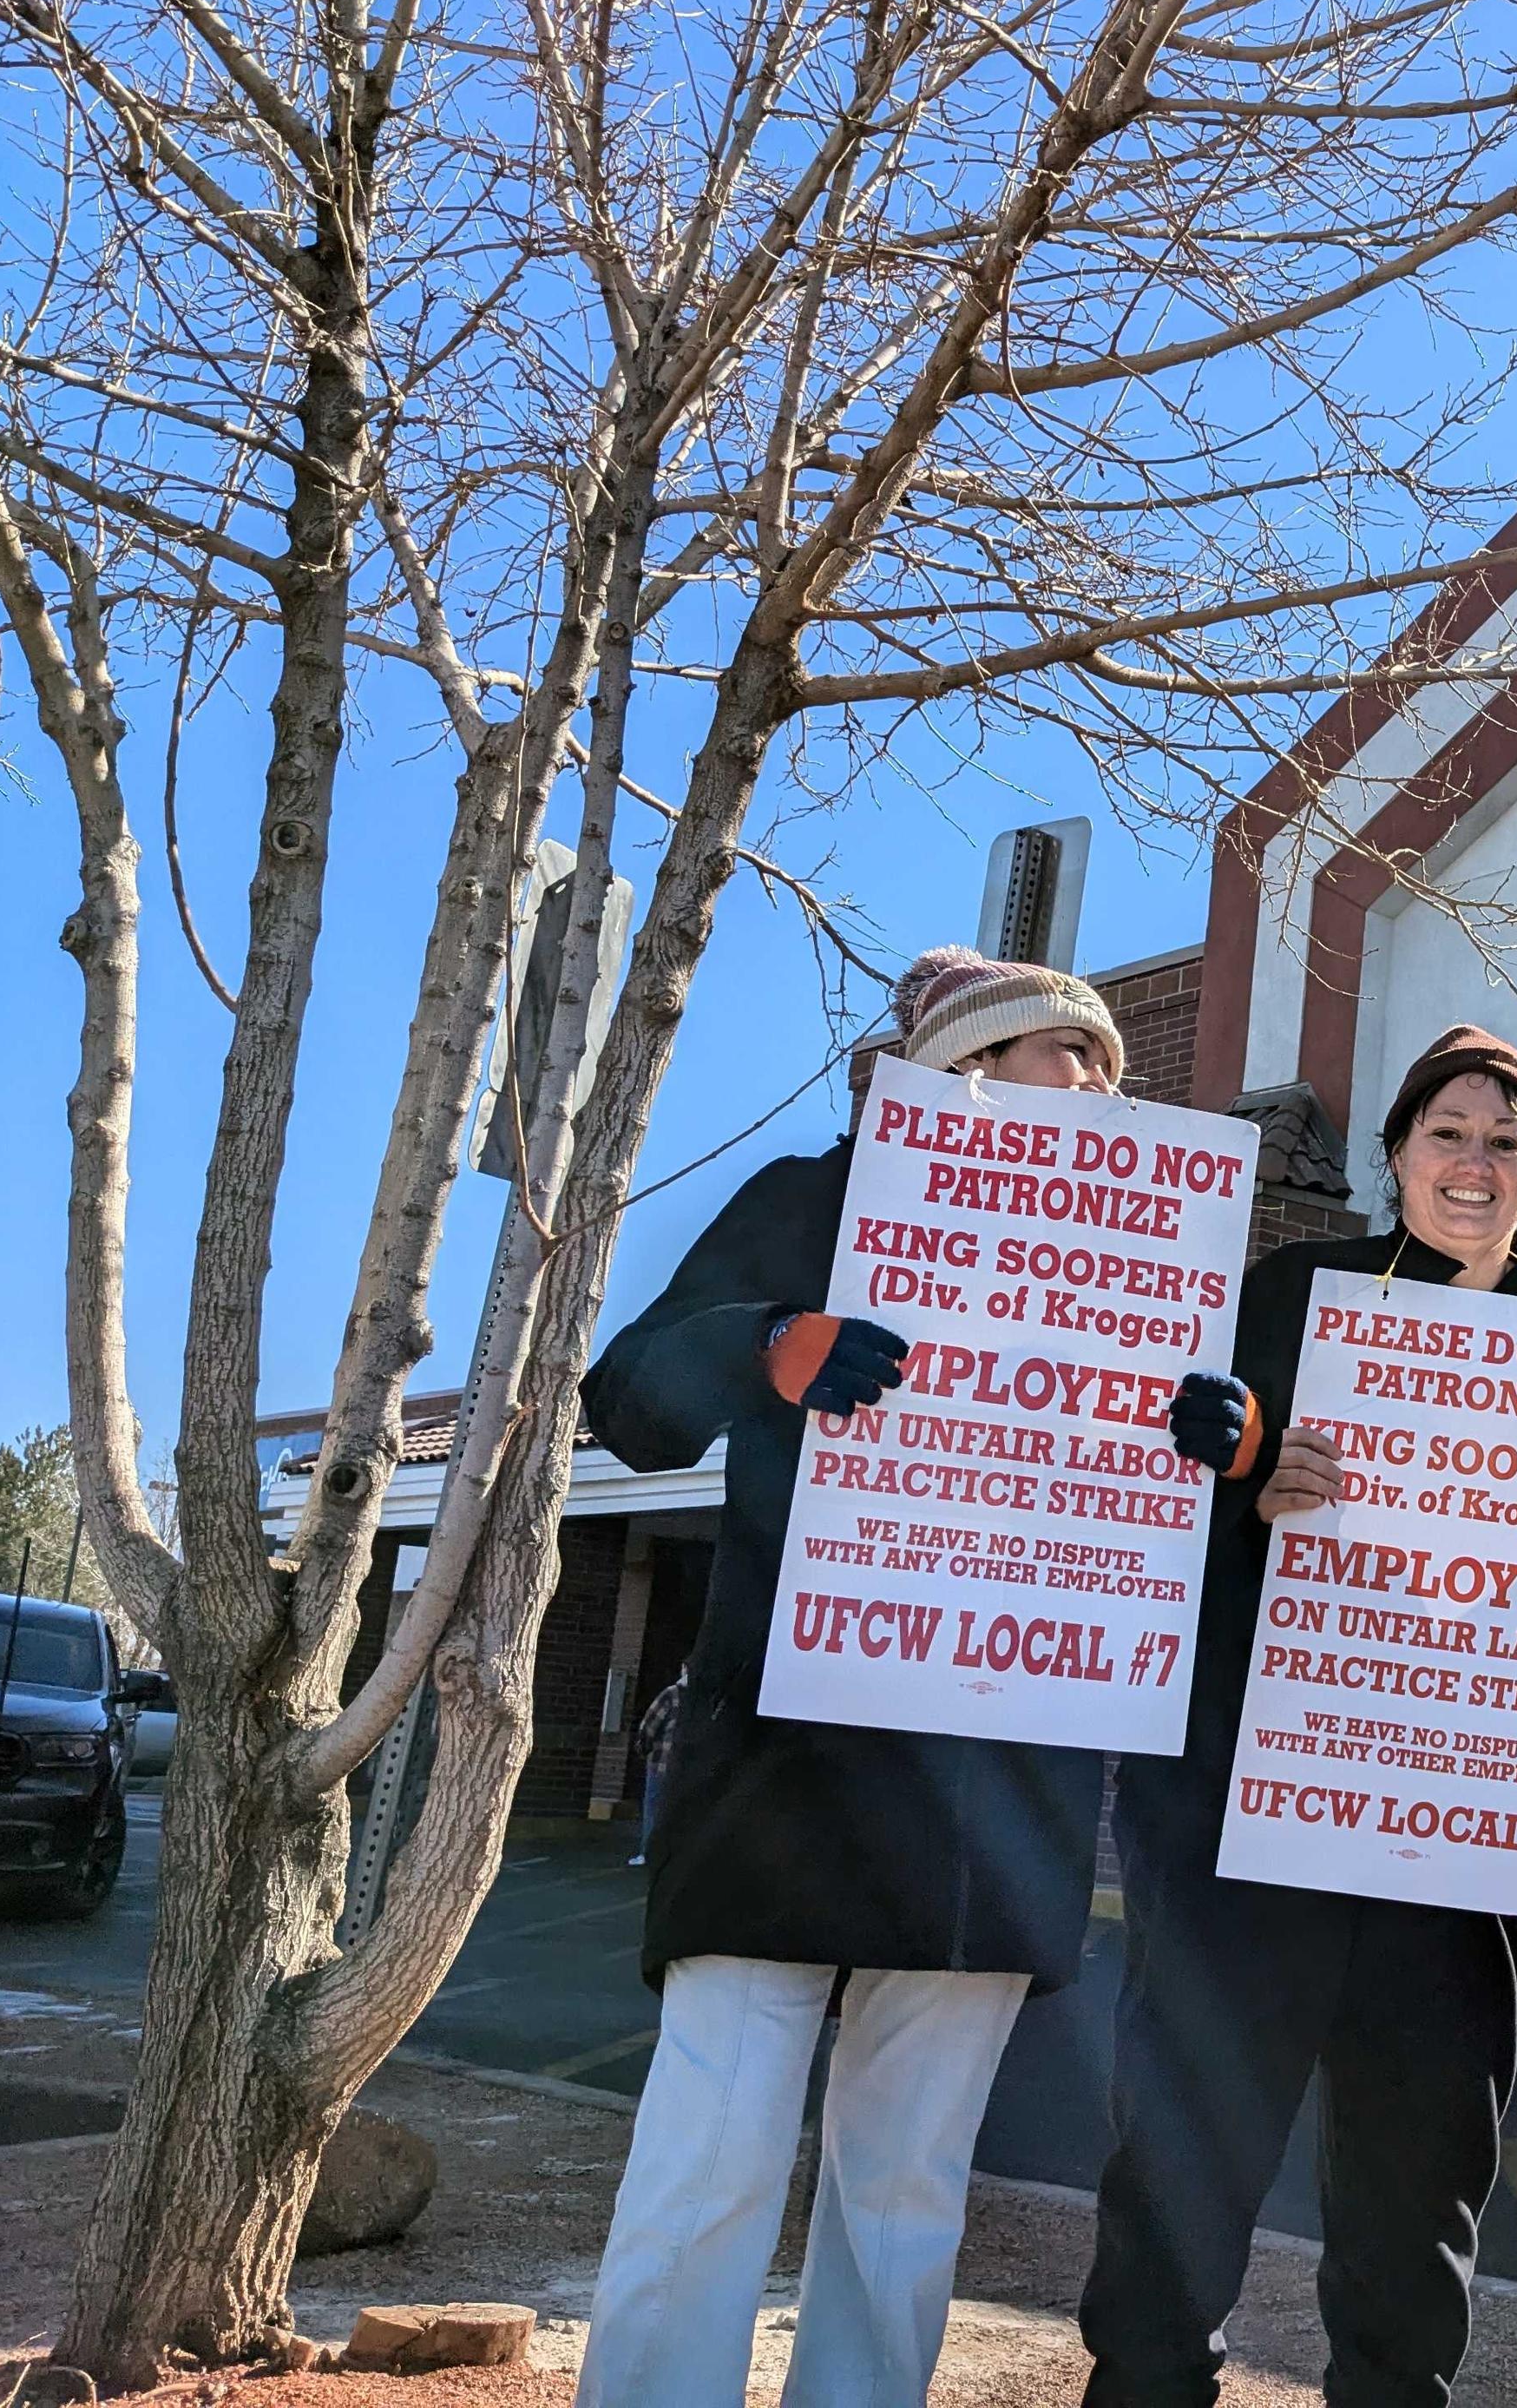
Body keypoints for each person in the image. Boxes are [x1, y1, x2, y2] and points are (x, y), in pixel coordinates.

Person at [1080, 1026, 1517, 2408]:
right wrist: (1248, 1494)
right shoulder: (1286, 1298)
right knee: (1181, 2168)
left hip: (1453, 1864)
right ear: (1395, 1154)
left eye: (1506, 1141)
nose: (1475, 1163)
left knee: (1419, 2212)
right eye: (1447, 1133)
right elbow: (1153, 1512)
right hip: (1249, 1829)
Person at [574, 946, 1129, 2408]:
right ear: (957, 1068)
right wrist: (768, 1344)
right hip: (786, 1769)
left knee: (909, 2195)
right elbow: (626, 1400)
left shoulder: (1142, 1277)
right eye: (1050, 1051)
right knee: (711, 2163)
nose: (1085, 1081)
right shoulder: (808, 1207)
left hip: (993, 1796)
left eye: (1098, 1064)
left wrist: (1215, 1436)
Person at [627, 1676, 682, 1868]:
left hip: (661, 1763)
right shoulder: (704, 1698)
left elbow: (648, 1726)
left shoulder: (671, 1695)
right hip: (687, 1767)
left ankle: (648, 1853)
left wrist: (643, 1749)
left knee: (653, 1809)